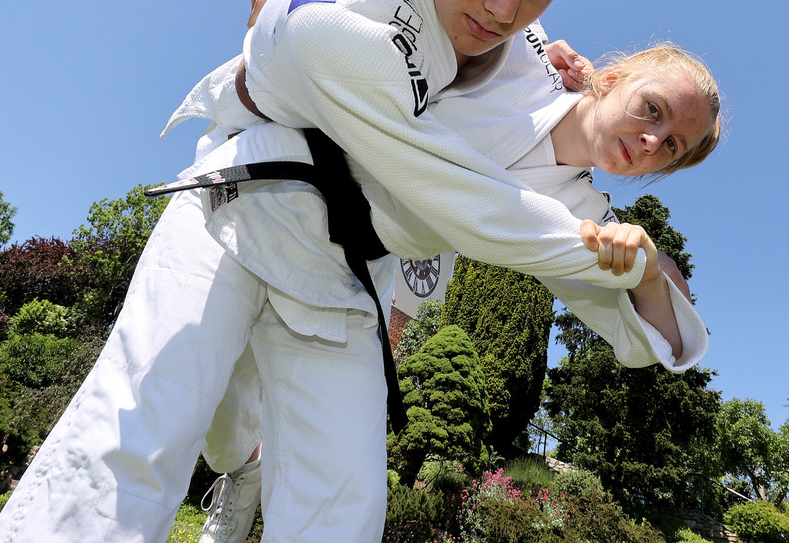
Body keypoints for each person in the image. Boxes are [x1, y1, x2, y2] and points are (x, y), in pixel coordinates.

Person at [0, 0, 670, 543]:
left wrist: (646, 267)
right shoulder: (342, 5)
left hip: (346, 277)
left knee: (341, 516)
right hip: (242, 200)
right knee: (142, 427)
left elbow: (638, 316)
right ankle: (241, 460)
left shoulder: (534, 67)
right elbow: (471, 206)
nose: (504, 9)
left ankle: (244, 456)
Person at [193, 28, 723, 543]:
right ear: (612, 79)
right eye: (652, 108)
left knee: (343, 483)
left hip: (358, 264)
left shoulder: (581, 220)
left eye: (672, 147)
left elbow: (667, 336)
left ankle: (252, 471)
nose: (653, 139)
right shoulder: (524, 49)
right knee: (214, 399)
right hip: (281, 179)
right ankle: (242, 467)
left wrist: (649, 270)